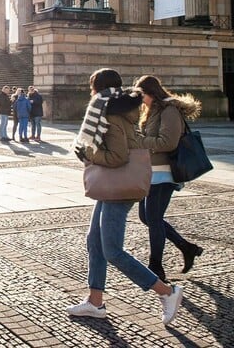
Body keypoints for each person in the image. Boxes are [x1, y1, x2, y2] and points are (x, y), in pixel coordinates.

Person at [68, 68, 183, 326]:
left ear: (97, 88)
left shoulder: (111, 114)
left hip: (118, 187)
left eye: (92, 87)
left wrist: (89, 156)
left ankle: (167, 292)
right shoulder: (115, 108)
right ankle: (95, 302)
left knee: (113, 251)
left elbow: (118, 157)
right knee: (94, 241)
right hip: (111, 185)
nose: (91, 92)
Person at [135, 74, 203, 282]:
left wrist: (139, 140)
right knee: (146, 217)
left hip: (164, 173)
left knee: (153, 218)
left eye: (141, 95)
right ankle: (186, 247)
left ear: (150, 93)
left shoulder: (169, 110)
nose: (140, 100)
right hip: (152, 171)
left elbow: (168, 143)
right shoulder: (153, 110)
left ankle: (156, 266)